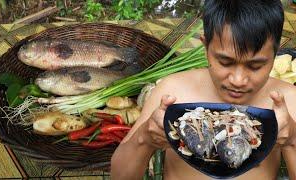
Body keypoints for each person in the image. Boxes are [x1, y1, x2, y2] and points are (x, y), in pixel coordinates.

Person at [111, 0, 296, 179]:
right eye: (225, 62)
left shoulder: (288, 100)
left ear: (275, 53)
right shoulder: (172, 92)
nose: (238, 80)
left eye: (255, 66)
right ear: (206, 47)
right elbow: (119, 176)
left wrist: (292, 140)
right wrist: (144, 139)